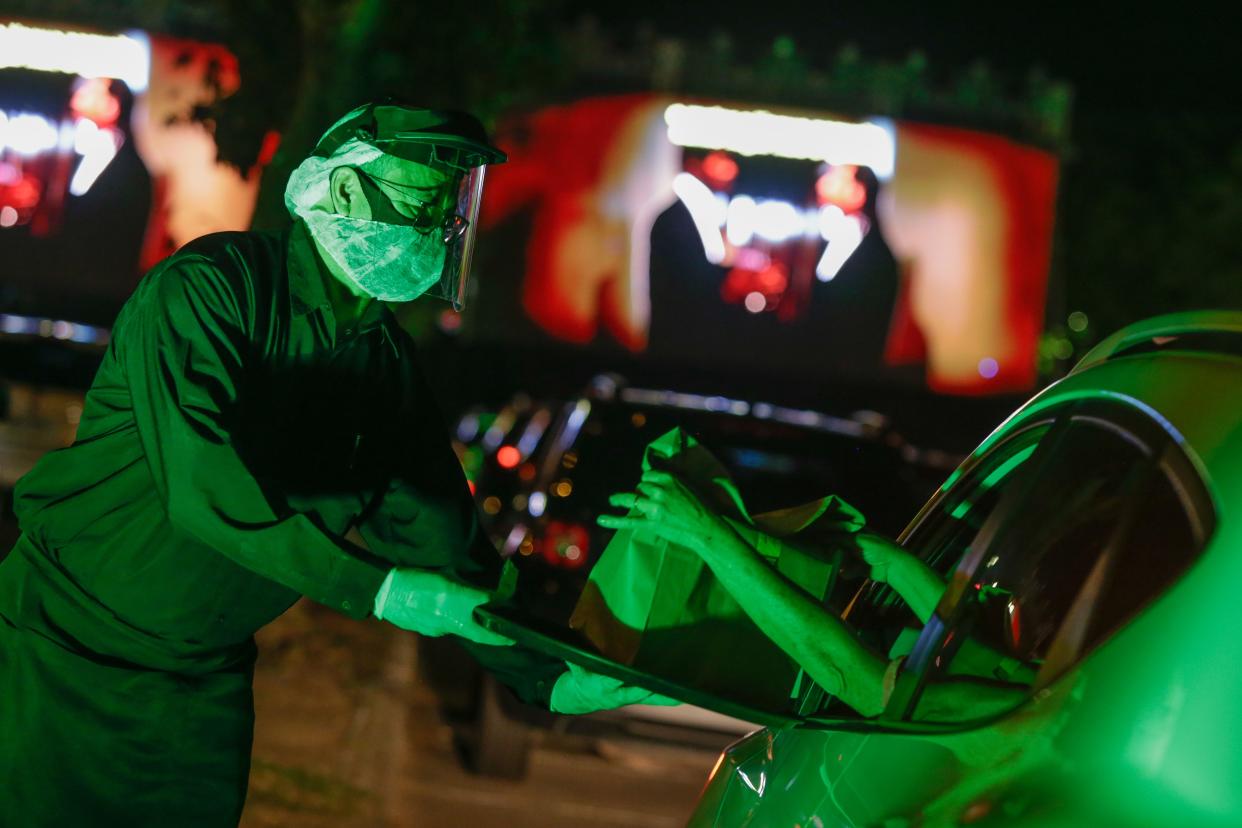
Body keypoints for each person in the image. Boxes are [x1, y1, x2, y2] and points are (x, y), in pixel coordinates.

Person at [0, 103, 659, 827]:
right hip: (61, 648)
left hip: (197, 688)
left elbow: (449, 544)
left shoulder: (385, 373)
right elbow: (202, 487)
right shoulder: (211, 291)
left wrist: (550, 676)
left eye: (450, 207)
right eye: (422, 201)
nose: (442, 229)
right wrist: (378, 591)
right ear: (345, 191)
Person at [600, 466, 1029, 720]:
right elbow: (977, 651)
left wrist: (707, 535)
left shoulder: (1042, 710)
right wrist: (895, 566)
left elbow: (854, 678)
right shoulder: (1052, 685)